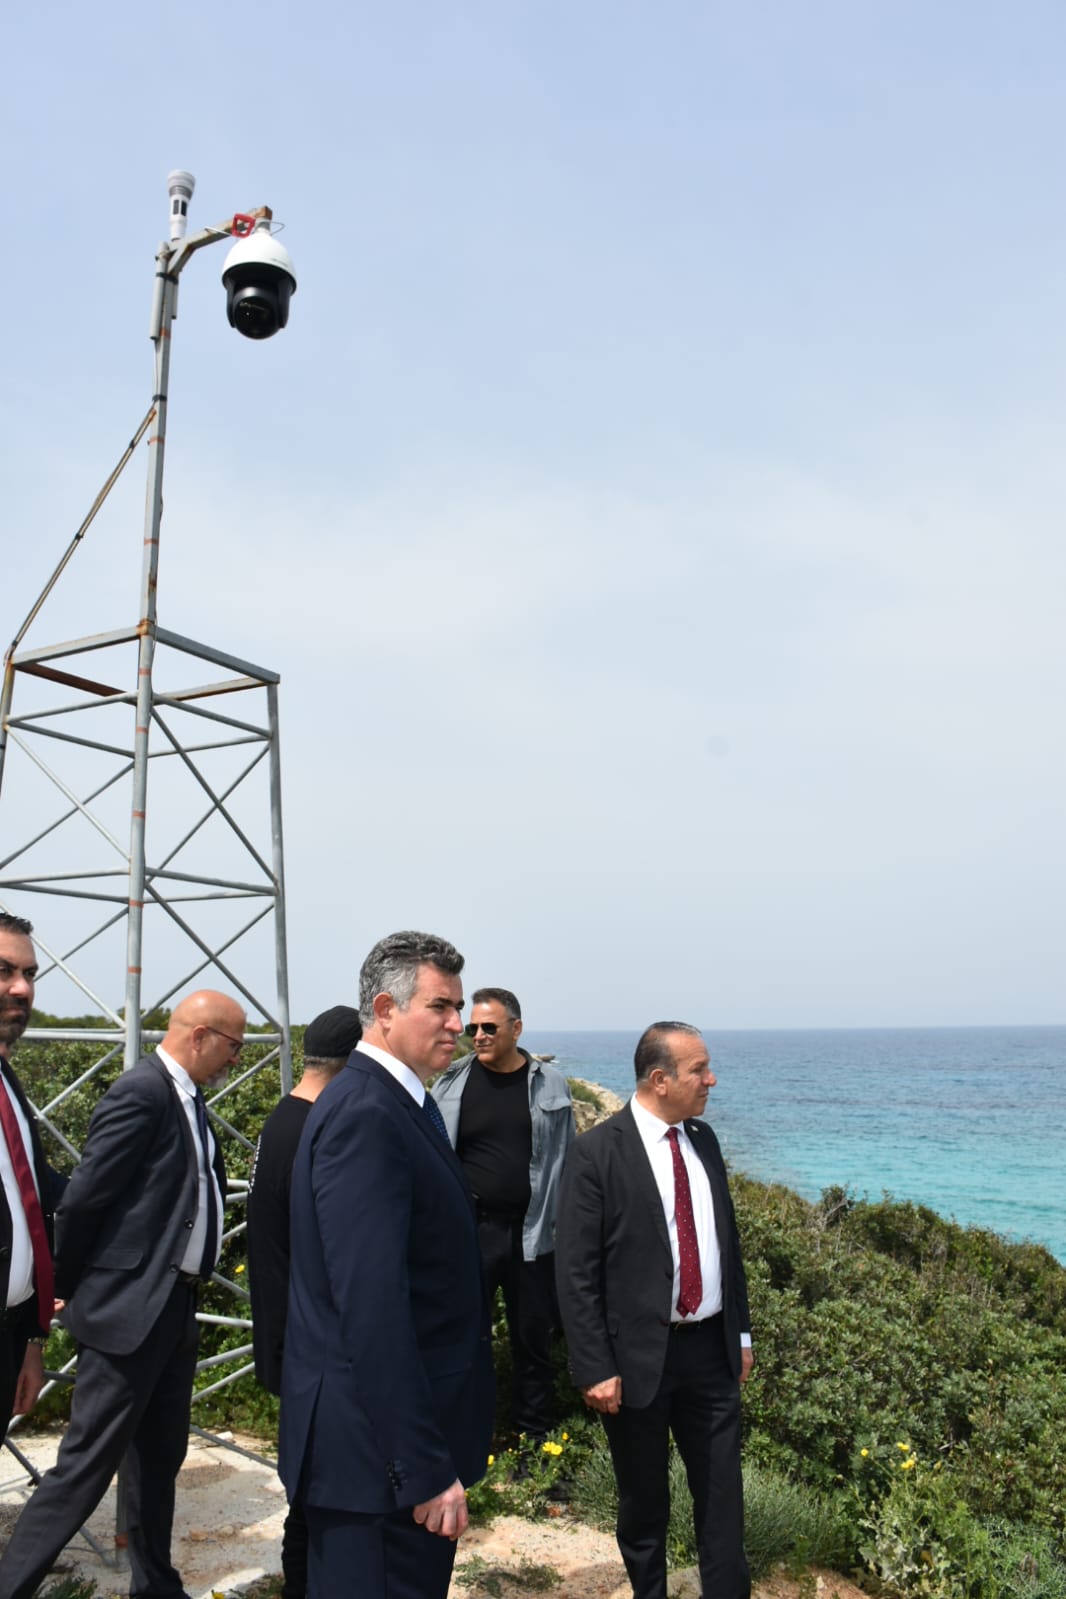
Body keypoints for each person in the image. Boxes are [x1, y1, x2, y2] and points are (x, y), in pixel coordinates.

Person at [0, 988, 244, 1599]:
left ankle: (156, 1586)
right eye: (234, 1045)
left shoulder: (188, 1097)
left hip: (173, 1307)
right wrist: (62, 1284)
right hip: (129, 1312)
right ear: (199, 1036)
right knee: (85, 1468)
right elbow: (86, 1199)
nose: (238, 1058)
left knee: (159, 1459)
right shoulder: (143, 1092)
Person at [279, 931, 494, 1599]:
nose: (458, 1024)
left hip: (378, 1459)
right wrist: (420, 1466)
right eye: (440, 1006)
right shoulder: (368, 1112)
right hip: (376, 1468)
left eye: (459, 1006)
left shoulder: (396, 1101)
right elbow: (371, 1308)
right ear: (385, 1009)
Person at [555, 1022, 754, 1599]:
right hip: (635, 1358)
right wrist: (594, 1366)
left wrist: (741, 1335)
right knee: (644, 1501)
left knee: (723, 1496)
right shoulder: (596, 1152)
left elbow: (727, 1246)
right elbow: (576, 1271)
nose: (711, 1079)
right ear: (660, 1079)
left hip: (711, 1351)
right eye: (699, 1070)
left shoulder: (704, 1140)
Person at [246, 1004, 363, 1599]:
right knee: (316, 1492)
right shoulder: (314, 1128)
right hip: (306, 1340)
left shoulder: (284, 1117)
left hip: (282, 1326)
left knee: (309, 1480)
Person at [432, 986, 574, 1441]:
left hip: (534, 1234)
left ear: (516, 1028)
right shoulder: (450, 1082)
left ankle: (533, 1443)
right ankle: (466, 1437)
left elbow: (566, 1159)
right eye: (473, 1027)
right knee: (464, 1337)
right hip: (473, 1232)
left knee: (533, 1341)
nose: (477, 1035)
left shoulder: (551, 1084)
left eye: (489, 1027)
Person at [0, 913, 63, 1439]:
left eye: (29, 974)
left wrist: (30, 1343)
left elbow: (35, 1196)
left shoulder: (7, 1080)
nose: (22, 988)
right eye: (3, 971)